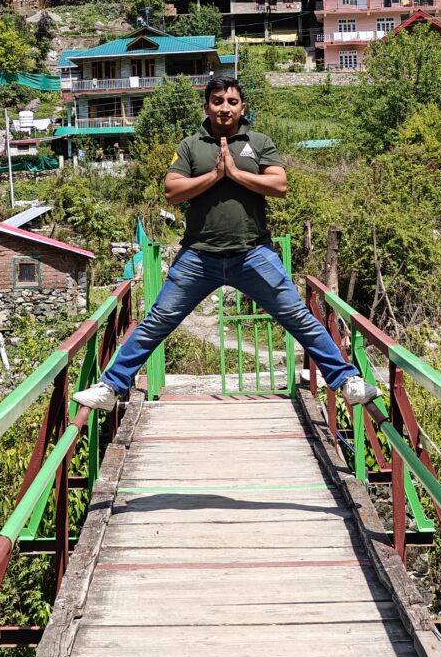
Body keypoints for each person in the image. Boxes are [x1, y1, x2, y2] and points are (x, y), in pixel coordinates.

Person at [73, 76, 380, 411]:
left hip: (254, 253)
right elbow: (172, 191)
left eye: (232, 102)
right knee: (158, 320)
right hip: (198, 256)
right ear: (207, 106)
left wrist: (234, 173)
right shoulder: (191, 146)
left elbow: (279, 184)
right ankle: (111, 387)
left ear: (242, 107)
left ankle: (347, 381)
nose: (224, 108)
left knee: (297, 316)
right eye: (217, 101)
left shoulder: (259, 141)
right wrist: (214, 175)